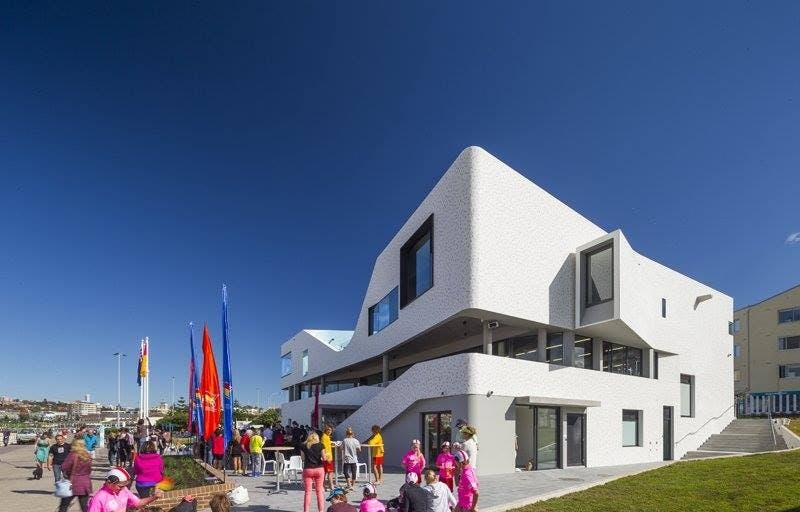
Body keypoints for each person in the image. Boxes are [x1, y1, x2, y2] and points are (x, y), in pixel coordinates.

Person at [87, 467, 161, 512]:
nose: (123, 488)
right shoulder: (98, 498)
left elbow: (138, 503)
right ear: (109, 482)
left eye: (124, 486)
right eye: (120, 486)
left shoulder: (124, 490)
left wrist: (154, 497)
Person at [59, 438, 93, 512]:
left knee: (64, 506)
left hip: (73, 483)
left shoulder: (73, 455)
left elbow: (64, 466)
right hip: (85, 483)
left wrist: (67, 473)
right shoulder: (88, 456)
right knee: (84, 507)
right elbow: (89, 470)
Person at [300, 431, 328, 512]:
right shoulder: (321, 445)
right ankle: (321, 511)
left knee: (308, 492)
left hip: (308, 469)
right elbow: (324, 458)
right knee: (319, 491)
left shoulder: (303, 445)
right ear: (317, 438)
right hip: (319, 469)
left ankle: (306, 510)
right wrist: (327, 455)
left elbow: (302, 458)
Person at [321, 425, 335, 491]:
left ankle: (325, 485)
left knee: (326, 472)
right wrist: (327, 457)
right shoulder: (325, 437)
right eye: (328, 430)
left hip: (328, 457)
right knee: (329, 472)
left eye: (331, 430)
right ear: (326, 430)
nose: (330, 431)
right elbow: (324, 448)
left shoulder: (327, 437)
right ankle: (330, 485)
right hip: (328, 458)